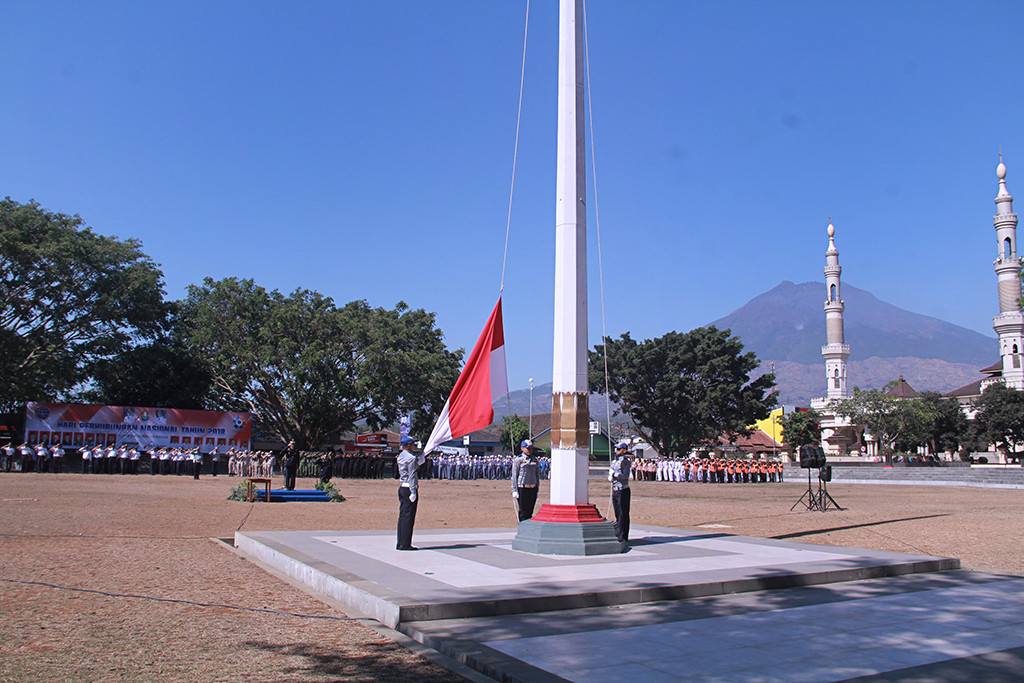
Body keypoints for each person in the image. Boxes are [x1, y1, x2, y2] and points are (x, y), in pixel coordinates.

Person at [396, 436, 425, 551]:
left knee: (403, 516)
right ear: (408, 445)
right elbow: (412, 475)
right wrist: (413, 491)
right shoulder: (411, 457)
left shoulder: (401, 456)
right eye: (412, 445)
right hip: (409, 488)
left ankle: (401, 542)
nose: (413, 447)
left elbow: (408, 470)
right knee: (409, 517)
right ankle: (405, 543)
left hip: (402, 487)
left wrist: (419, 462)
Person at [511, 440, 540, 522]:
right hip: (522, 487)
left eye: (531, 448)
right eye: (528, 448)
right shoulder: (518, 459)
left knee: (530, 511)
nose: (530, 450)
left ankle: (527, 528)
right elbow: (514, 476)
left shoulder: (535, 459)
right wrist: (514, 490)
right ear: (522, 448)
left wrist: (537, 490)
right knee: (523, 511)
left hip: (532, 488)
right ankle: (522, 528)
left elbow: (537, 475)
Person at [609, 442, 632, 543]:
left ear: (624, 450)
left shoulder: (625, 462)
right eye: (616, 449)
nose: (616, 451)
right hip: (615, 489)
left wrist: (614, 475)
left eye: (619, 449)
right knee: (617, 513)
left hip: (622, 489)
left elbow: (625, 476)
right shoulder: (615, 461)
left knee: (623, 514)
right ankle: (619, 532)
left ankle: (623, 536)